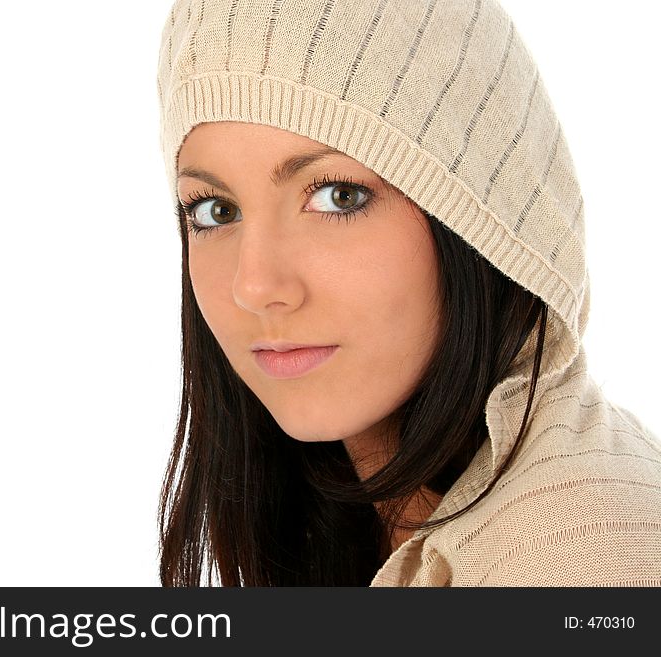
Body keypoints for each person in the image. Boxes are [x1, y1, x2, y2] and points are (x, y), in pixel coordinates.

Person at [154, 0, 661, 586]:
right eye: (217, 211)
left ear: (478, 218)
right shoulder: (361, 522)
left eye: (338, 196)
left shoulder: (586, 564)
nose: (255, 286)